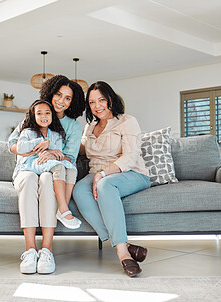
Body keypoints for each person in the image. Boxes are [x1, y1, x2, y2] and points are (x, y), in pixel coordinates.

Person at [72, 81, 151, 278]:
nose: (97, 106)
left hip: (130, 173)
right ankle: (124, 243)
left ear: (111, 100)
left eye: (101, 100)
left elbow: (130, 157)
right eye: (91, 102)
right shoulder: (90, 127)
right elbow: (81, 149)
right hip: (96, 174)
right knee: (79, 190)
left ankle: (123, 254)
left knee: (105, 184)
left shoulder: (127, 121)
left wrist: (103, 173)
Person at [8, 75, 84, 274]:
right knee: (29, 178)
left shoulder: (73, 127)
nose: (61, 101)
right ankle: (30, 250)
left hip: (51, 169)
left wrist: (51, 152)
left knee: (48, 177)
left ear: (72, 102)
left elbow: (69, 158)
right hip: (26, 169)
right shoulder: (33, 116)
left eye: (67, 98)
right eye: (58, 94)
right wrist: (36, 148)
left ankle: (47, 250)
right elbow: (12, 145)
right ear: (50, 93)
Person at [15, 99, 81, 229]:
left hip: (48, 162)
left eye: (47, 113)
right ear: (33, 116)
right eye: (39, 113)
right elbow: (20, 148)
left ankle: (63, 208)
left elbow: (59, 154)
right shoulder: (27, 132)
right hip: (33, 162)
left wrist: (51, 149)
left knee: (72, 169)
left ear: (52, 115)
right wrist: (40, 142)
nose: (44, 116)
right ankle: (62, 208)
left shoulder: (55, 134)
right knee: (59, 167)